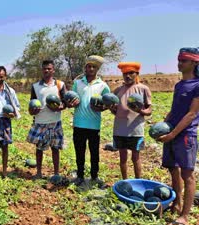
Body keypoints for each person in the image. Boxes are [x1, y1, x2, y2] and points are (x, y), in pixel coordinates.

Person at [158, 47, 199, 225]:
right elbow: (175, 110)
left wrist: (173, 134)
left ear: (194, 63)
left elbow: (191, 114)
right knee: (173, 169)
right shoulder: (178, 85)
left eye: (184, 61)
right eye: (179, 60)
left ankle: (184, 216)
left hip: (185, 136)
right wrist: (164, 123)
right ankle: (177, 203)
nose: (179, 63)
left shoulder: (197, 85)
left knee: (187, 174)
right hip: (172, 133)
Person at [67, 55, 110, 187]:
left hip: (94, 125)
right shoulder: (78, 83)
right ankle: (80, 176)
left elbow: (108, 103)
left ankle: (94, 176)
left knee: (94, 152)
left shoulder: (103, 85)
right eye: (88, 66)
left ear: (97, 69)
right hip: (79, 123)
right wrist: (71, 103)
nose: (90, 69)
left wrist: (102, 108)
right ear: (85, 68)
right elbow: (70, 100)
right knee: (79, 151)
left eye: (94, 67)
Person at [110, 62, 152, 179]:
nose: (127, 76)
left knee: (135, 158)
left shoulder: (143, 89)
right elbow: (114, 110)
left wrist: (141, 111)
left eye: (131, 73)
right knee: (123, 157)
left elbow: (149, 110)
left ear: (137, 74)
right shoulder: (118, 90)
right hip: (120, 129)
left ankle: (138, 181)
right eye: (125, 74)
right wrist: (111, 109)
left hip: (136, 130)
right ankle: (125, 182)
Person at [27, 59, 66, 179]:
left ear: (53, 70)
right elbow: (31, 104)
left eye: (49, 68)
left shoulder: (60, 85)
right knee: (39, 149)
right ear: (42, 70)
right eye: (45, 68)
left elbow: (65, 103)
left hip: (55, 121)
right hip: (40, 121)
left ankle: (56, 173)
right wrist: (32, 111)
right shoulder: (35, 86)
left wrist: (59, 107)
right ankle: (38, 172)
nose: (47, 70)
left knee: (55, 148)